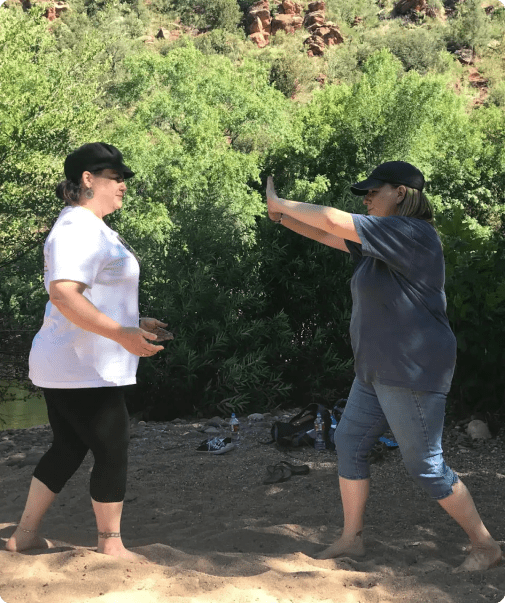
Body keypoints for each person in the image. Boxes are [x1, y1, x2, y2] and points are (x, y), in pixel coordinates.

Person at [266, 161, 503, 572]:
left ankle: (484, 545)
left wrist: (281, 201)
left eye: (375, 191)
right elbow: (326, 232)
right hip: (376, 369)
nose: (368, 199)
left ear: (402, 193)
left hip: (411, 370)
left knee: (425, 465)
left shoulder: (412, 234)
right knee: (350, 442)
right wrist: (283, 218)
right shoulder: (383, 242)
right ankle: (351, 539)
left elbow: (329, 217)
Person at [5, 142, 172, 562]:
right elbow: (63, 294)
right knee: (114, 445)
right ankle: (109, 545)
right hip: (81, 367)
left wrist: (135, 320)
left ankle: (24, 537)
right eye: (116, 178)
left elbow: (93, 293)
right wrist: (122, 335)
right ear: (87, 179)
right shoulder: (77, 228)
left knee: (68, 447)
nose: (123, 186)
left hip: (72, 363)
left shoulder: (89, 226)